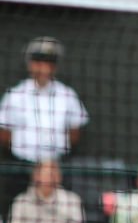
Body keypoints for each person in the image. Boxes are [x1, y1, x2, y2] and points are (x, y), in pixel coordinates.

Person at [0, 37, 88, 208]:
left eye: (49, 63)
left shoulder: (67, 95)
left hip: (58, 168)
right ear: (30, 64)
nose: (43, 68)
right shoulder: (15, 95)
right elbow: (4, 131)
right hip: (22, 169)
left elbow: (75, 130)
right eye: (38, 62)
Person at [7, 160, 83, 223]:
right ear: (35, 176)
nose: (50, 179)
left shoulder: (72, 201)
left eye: (52, 174)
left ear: (59, 177)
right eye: (46, 174)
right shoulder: (20, 202)